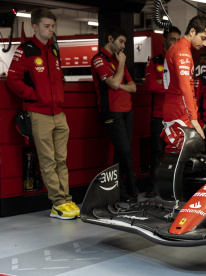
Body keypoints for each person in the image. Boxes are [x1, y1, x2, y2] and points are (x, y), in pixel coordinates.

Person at [7, 8, 79, 219]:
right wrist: (34, 95)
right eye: (47, 26)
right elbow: (13, 80)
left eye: (53, 26)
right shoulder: (25, 50)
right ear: (35, 27)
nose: (51, 30)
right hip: (38, 113)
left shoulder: (53, 50)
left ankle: (66, 199)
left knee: (61, 160)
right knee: (48, 161)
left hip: (58, 113)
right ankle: (57, 204)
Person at [91, 26, 138, 203]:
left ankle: (120, 192)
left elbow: (133, 87)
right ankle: (132, 188)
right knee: (125, 151)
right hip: (111, 110)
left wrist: (119, 84)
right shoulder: (99, 59)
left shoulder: (117, 60)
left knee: (121, 152)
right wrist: (122, 66)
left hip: (127, 110)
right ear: (110, 39)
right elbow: (114, 83)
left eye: (125, 43)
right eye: (121, 41)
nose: (123, 46)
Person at [161, 15, 206, 153]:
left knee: (182, 156)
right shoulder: (182, 52)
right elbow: (185, 87)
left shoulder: (176, 48)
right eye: (203, 38)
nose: (204, 44)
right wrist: (194, 118)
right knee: (179, 157)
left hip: (177, 109)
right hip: (179, 112)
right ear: (192, 31)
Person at [145, 26, 181, 197]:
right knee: (157, 153)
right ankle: (154, 187)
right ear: (164, 40)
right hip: (158, 115)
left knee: (174, 153)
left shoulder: (180, 61)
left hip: (175, 117)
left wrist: (164, 85)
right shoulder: (154, 62)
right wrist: (172, 88)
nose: (175, 43)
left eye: (177, 39)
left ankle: (172, 187)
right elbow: (151, 85)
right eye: (172, 39)